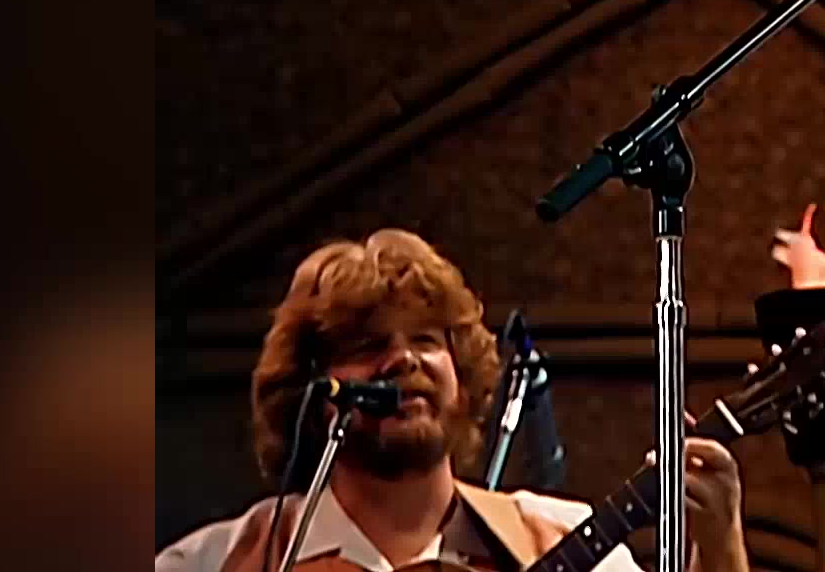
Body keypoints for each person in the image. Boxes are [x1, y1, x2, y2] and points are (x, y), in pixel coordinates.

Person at [157, 228, 751, 572]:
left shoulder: (561, 538)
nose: (404, 360)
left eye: (425, 339)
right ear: (312, 391)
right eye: (368, 345)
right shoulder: (216, 561)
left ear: (461, 372)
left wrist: (721, 548)